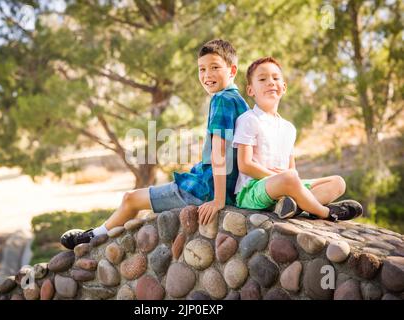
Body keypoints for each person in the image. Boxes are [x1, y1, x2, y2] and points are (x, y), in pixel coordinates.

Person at [60, 39, 249, 249]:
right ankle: (95, 236)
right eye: (202, 69)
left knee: (130, 199)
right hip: (220, 186)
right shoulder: (239, 101)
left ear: (232, 70)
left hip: (205, 189)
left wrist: (218, 200)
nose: (207, 75)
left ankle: (91, 238)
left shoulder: (221, 99)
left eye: (215, 67)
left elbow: (220, 151)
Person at [233, 56, 363, 221]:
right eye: (262, 79)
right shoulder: (249, 119)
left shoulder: (288, 128)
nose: (271, 82)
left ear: (284, 87)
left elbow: (291, 168)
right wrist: (276, 177)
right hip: (253, 189)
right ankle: (326, 212)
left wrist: (291, 180)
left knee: (338, 182)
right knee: (289, 178)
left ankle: (292, 206)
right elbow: (245, 165)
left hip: (286, 187)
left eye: (275, 78)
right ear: (251, 90)